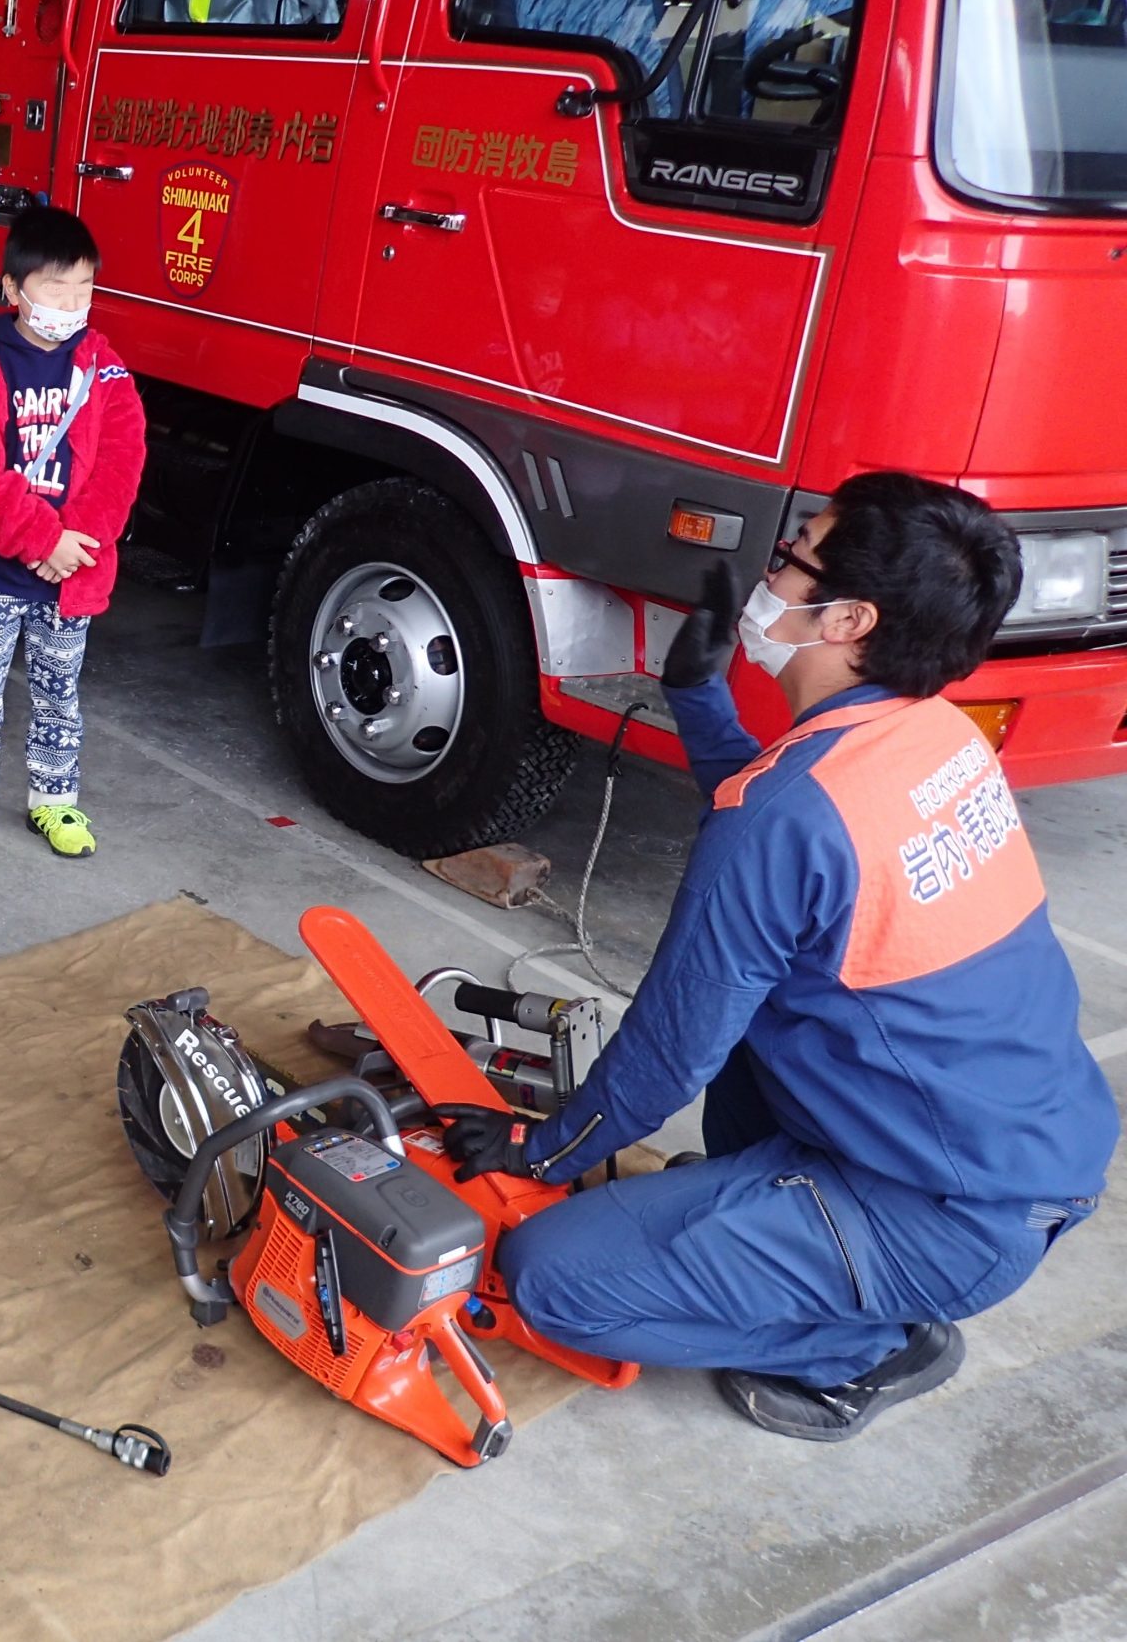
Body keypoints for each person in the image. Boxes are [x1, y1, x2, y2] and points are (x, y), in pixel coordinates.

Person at [462, 475, 1114, 1442]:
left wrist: (540, 1152)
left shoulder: (792, 813)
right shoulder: (934, 734)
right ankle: (786, 1220)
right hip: (1019, 1158)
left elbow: (670, 1049)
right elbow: (791, 856)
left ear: (847, 618)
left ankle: (865, 1346)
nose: (769, 575)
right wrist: (694, 694)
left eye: (791, 556)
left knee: (550, 1278)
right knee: (763, 1022)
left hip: (944, 1214)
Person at [0, 205, 147, 863]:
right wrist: (39, 539)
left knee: (60, 696)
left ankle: (53, 800)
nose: (73, 304)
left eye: (85, 289)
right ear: (12, 289)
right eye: (57, 289)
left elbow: (123, 456)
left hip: (70, 572)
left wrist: (77, 540)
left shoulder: (102, 367)